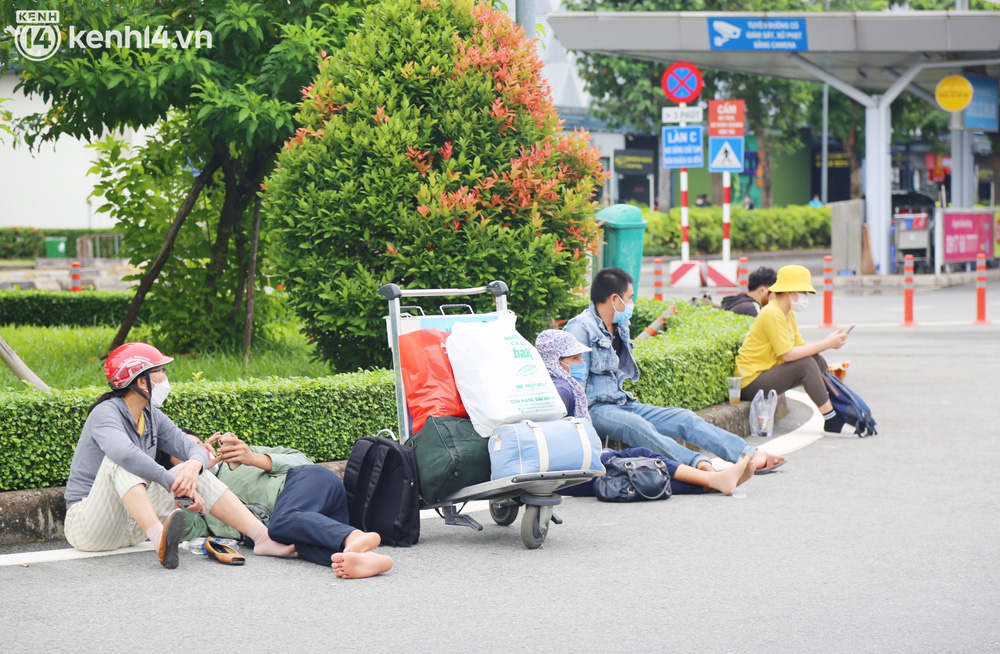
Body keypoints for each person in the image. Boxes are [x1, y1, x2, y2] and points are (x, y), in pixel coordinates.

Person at [64, 342, 297, 569]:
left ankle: (262, 537)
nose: (165, 376)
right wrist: (172, 483)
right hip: (89, 526)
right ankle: (160, 541)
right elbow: (124, 454)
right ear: (141, 380)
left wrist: (193, 466)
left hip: (132, 529)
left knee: (194, 472)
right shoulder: (105, 413)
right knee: (121, 462)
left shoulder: (152, 415)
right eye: (160, 371)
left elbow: (195, 449)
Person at [563, 268, 785, 474]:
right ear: (614, 299)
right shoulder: (580, 329)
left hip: (622, 403)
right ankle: (698, 464)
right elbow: (574, 386)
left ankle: (748, 454)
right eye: (629, 297)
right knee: (639, 426)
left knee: (685, 418)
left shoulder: (619, 325)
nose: (631, 303)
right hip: (596, 409)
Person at [535, 330, 754, 495]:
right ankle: (712, 481)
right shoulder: (561, 390)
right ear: (556, 360)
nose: (582, 363)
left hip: (567, 470)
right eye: (575, 359)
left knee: (640, 468)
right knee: (638, 465)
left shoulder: (552, 384)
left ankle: (712, 483)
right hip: (566, 473)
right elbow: (561, 440)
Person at [165, 430, 393, 579]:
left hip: (314, 487)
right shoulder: (208, 503)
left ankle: (352, 537)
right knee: (295, 547)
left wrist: (253, 458)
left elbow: (304, 462)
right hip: (309, 527)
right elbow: (187, 532)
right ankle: (363, 559)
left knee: (280, 524)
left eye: (195, 446)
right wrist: (184, 495)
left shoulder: (240, 455)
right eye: (184, 459)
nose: (194, 458)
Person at [734, 265, 850, 434]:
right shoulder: (772, 313)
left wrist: (822, 347)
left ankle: (839, 405)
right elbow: (787, 355)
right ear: (790, 292)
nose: (805, 297)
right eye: (803, 293)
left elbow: (800, 348)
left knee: (815, 359)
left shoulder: (787, 313)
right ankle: (832, 420)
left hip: (766, 373)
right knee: (807, 365)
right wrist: (826, 343)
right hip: (750, 382)